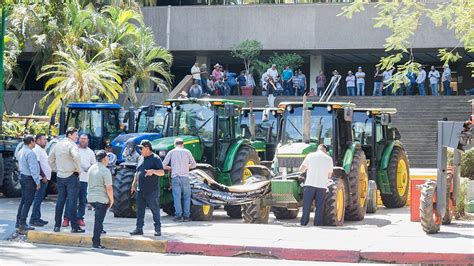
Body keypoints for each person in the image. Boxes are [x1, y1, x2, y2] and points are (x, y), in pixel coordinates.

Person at [48, 127, 84, 233]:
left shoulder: (58, 144)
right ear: (69, 135)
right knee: (73, 202)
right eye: (75, 135)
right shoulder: (72, 145)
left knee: (60, 201)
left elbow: (50, 159)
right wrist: (78, 169)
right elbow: (76, 156)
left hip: (60, 176)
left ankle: (57, 226)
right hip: (71, 176)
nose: (77, 137)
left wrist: (56, 169)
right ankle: (74, 227)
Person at [130, 140, 164, 236]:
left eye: (142, 148)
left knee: (155, 210)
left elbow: (162, 172)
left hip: (152, 190)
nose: (140, 150)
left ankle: (157, 229)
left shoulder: (156, 159)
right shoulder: (140, 158)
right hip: (140, 190)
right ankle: (139, 228)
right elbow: (137, 172)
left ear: (147, 148)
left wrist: (153, 171)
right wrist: (133, 184)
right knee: (140, 210)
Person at [64, 134, 95, 227]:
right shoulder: (73, 149)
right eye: (81, 139)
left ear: (88, 140)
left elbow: (94, 165)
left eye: (85, 139)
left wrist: (89, 168)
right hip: (73, 178)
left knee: (82, 200)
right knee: (70, 200)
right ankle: (66, 218)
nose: (83, 140)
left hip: (84, 180)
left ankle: (80, 218)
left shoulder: (90, 152)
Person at [162, 138, 197, 222]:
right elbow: (194, 165)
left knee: (177, 197)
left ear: (175, 144)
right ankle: (186, 216)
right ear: (183, 144)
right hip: (185, 177)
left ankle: (178, 216)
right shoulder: (187, 152)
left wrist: (171, 168)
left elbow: (163, 165)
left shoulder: (171, 152)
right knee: (186, 197)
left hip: (175, 177)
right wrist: (186, 166)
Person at [299, 144, 333, 226]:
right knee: (319, 206)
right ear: (325, 150)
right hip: (322, 186)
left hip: (309, 184)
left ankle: (304, 222)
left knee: (306, 205)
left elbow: (301, 169)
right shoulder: (329, 159)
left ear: (318, 149)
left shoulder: (310, 155)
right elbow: (329, 175)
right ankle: (318, 223)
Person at [87, 150, 114, 249]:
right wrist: (111, 200)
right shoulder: (105, 171)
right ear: (104, 159)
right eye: (107, 157)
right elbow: (109, 188)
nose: (108, 159)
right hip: (101, 199)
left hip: (91, 198)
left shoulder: (91, 168)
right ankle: (96, 242)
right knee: (98, 221)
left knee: (99, 219)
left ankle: (100, 232)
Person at [16, 135, 41, 231]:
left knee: (23, 201)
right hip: (29, 179)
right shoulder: (30, 153)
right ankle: (22, 223)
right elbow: (33, 169)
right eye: (34, 141)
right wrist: (37, 182)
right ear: (31, 142)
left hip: (23, 177)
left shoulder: (21, 151)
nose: (35, 143)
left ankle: (18, 222)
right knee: (28, 202)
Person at [29, 134, 51, 227]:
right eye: (44, 139)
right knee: (38, 199)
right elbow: (37, 164)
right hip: (41, 179)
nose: (46, 141)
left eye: (46, 139)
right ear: (37, 141)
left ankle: (37, 217)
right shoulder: (37, 150)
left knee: (40, 199)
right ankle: (34, 219)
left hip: (44, 179)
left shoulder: (42, 149)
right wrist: (43, 175)